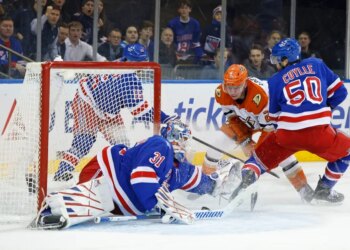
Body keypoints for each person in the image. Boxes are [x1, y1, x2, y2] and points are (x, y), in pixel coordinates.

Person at [33, 120, 242, 229]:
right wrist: (156, 204)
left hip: (124, 200)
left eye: (185, 141)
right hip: (108, 172)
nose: (185, 145)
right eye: (182, 139)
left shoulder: (182, 170)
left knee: (103, 204)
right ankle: (52, 203)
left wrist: (225, 186)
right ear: (173, 138)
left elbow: (205, 184)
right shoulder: (161, 145)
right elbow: (141, 178)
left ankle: (62, 202)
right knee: (93, 195)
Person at [239, 38, 350, 203]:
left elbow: (274, 118)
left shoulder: (275, 80)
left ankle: (247, 178)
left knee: (258, 160)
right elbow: (341, 93)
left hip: (287, 136)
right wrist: (323, 108)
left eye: (277, 59)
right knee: (346, 152)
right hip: (319, 134)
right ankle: (325, 188)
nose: (275, 63)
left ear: (285, 60)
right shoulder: (317, 64)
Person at [54, 43, 175, 181]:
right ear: (129, 60)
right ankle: (62, 172)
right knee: (84, 141)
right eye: (139, 62)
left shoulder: (120, 62)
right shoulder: (129, 80)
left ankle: (120, 177)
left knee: (121, 144)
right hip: (87, 100)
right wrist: (166, 119)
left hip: (109, 109)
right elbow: (141, 112)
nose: (142, 65)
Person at [202, 64, 314, 202]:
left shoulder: (260, 96)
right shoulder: (221, 92)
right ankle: (205, 182)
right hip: (244, 121)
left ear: (245, 82)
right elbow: (231, 117)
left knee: (281, 154)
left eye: (236, 87)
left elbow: (268, 131)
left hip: (271, 121)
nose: (232, 91)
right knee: (217, 142)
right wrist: (245, 142)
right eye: (229, 87)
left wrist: (256, 160)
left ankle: (304, 190)